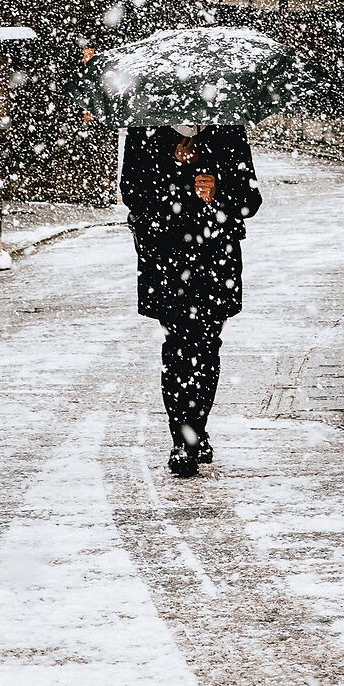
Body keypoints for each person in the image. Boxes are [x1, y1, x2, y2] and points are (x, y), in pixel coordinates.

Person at [120, 119, 263, 477]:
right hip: (167, 254)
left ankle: (197, 428)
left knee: (207, 344)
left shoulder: (227, 130)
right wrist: (178, 178)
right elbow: (131, 192)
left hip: (216, 254)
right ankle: (182, 440)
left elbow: (250, 198)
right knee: (178, 344)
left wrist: (217, 189)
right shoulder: (145, 128)